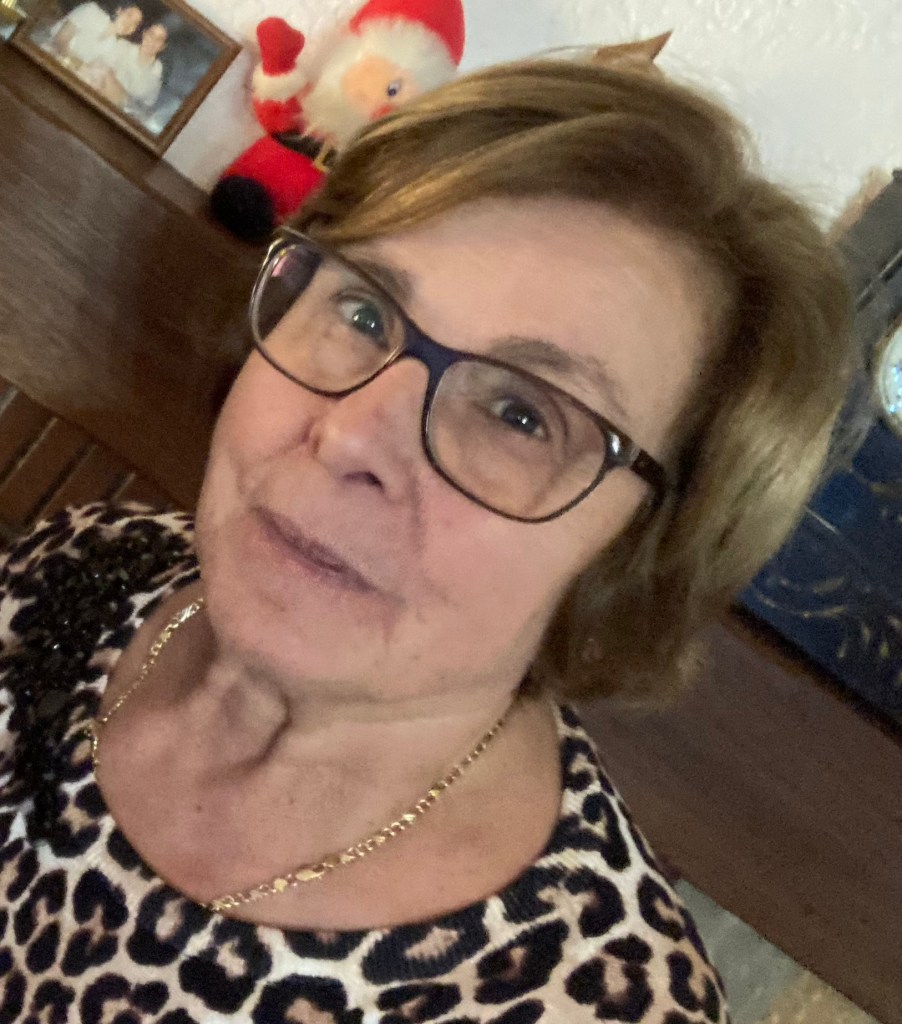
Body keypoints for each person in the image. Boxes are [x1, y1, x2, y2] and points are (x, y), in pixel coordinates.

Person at [0, 53, 852, 1022]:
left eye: (522, 416)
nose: (351, 434)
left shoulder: (583, 1001)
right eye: (363, 310)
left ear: (639, 553)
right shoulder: (97, 565)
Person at [47, 2, 142, 74]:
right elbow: (60, 40)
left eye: (135, 23)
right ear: (119, 11)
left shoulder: (114, 47)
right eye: (129, 15)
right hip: (47, 56)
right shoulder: (91, 11)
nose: (129, 23)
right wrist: (78, 66)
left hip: (69, 75)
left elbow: (94, 73)